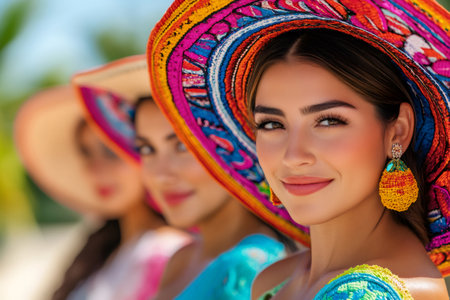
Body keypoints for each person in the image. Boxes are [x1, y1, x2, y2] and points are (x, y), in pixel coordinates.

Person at [146, 0, 450, 298]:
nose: (293, 156)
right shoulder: (274, 281)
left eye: (329, 121)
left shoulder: (382, 294)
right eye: (271, 124)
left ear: (397, 132)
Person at [73, 54, 299, 299]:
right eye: (147, 149)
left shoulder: (249, 269)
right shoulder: (182, 258)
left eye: (183, 146)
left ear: (234, 144)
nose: (160, 175)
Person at [14, 86, 189, 300]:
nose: (94, 169)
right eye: (86, 152)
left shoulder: (166, 253)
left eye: (110, 151)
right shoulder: (108, 250)